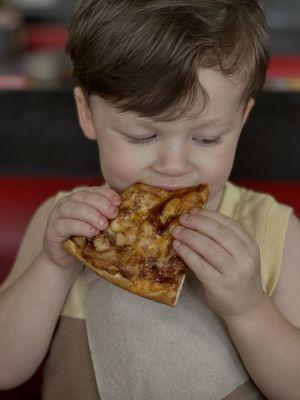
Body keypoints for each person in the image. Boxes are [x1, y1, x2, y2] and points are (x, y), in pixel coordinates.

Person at [1, 1, 300, 399]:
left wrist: (248, 309)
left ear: (241, 121)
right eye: (142, 137)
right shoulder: (64, 226)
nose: (174, 166)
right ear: (87, 115)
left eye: (207, 139)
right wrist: (52, 265)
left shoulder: (274, 231)